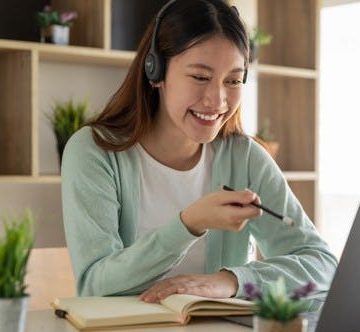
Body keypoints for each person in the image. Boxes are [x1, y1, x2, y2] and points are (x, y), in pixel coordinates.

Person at [60, 0, 337, 303]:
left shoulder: (244, 157)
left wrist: (231, 281)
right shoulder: (94, 152)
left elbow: (322, 264)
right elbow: (94, 285)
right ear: (156, 71)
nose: (217, 101)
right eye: (200, 77)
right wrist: (188, 224)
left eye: (232, 80)